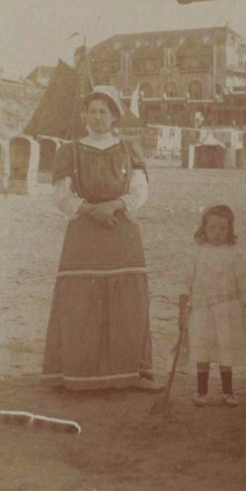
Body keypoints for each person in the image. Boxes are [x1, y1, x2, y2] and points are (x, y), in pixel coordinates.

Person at [41, 86, 160, 391]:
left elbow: (140, 190)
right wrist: (92, 210)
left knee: (127, 300)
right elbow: (61, 195)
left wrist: (113, 205)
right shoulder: (70, 151)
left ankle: (132, 372)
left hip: (121, 229)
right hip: (84, 231)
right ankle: (78, 374)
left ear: (114, 116)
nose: (97, 117)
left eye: (103, 112)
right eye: (91, 111)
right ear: (84, 116)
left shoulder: (127, 149)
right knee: (81, 301)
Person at [178, 205, 246, 407]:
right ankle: (202, 391)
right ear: (203, 228)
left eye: (222, 228)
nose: (216, 232)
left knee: (226, 350)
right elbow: (184, 284)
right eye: (212, 227)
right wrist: (181, 312)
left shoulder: (235, 255)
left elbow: (245, 286)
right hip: (202, 309)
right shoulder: (194, 254)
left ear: (229, 230)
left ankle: (228, 391)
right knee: (203, 350)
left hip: (227, 310)